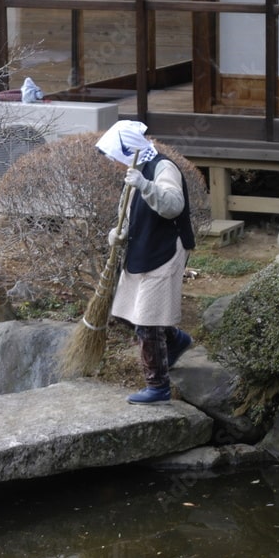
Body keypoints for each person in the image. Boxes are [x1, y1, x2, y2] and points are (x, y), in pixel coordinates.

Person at [95, 121, 197, 404]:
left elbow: (173, 205)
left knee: (148, 321)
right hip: (142, 247)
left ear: (129, 149)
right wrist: (118, 233)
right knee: (126, 312)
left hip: (166, 249)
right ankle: (175, 340)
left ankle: (158, 386)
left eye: (116, 155)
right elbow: (129, 213)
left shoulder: (163, 169)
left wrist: (145, 185)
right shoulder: (135, 171)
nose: (115, 162)